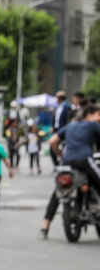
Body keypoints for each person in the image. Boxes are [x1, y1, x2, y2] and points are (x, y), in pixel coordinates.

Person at [40, 102, 100, 239]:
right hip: (85, 160)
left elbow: (52, 141)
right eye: (98, 115)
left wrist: (60, 154)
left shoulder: (70, 126)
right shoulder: (93, 125)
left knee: (58, 192)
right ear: (89, 115)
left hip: (67, 162)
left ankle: (45, 227)